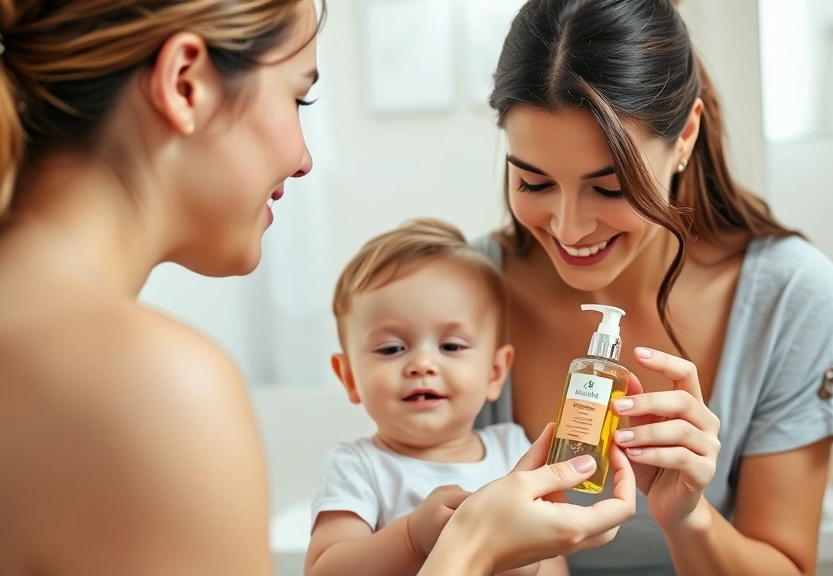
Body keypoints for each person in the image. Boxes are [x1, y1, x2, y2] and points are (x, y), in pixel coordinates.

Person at [0, 2, 635, 575]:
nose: (305, 158)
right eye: (300, 99)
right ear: (185, 82)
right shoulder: (154, 384)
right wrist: (468, 548)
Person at [472, 0, 833, 574]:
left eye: (609, 188)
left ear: (686, 136)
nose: (569, 227)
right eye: (533, 181)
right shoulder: (469, 287)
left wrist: (688, 518)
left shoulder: (790, 296)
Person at [305, 218, 568, 576]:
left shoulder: (514, 450)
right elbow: (323, 570)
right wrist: (413, 539)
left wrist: (527, 564)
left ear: (494, 372)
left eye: (450, 346)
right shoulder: (357, 467)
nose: (423, 364)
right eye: (392, 348)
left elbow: (554, 558)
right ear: (350, 377)